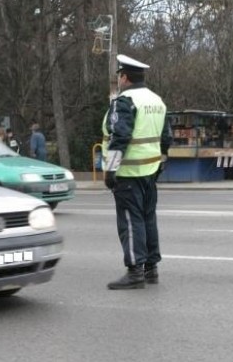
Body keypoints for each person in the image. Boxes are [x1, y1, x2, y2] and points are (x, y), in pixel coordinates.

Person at [102, 54, 172, 290]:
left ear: (125, 77)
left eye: (120, 76)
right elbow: (166, 138)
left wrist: (110, 170)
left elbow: (119, 136)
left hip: (128, 173)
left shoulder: (125, 101)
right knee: (148, 218)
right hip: (150, 171)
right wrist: (160, 163)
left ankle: (134, 272)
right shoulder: (157, 101)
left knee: (131, 221)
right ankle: (151, 269)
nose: (119, 81)